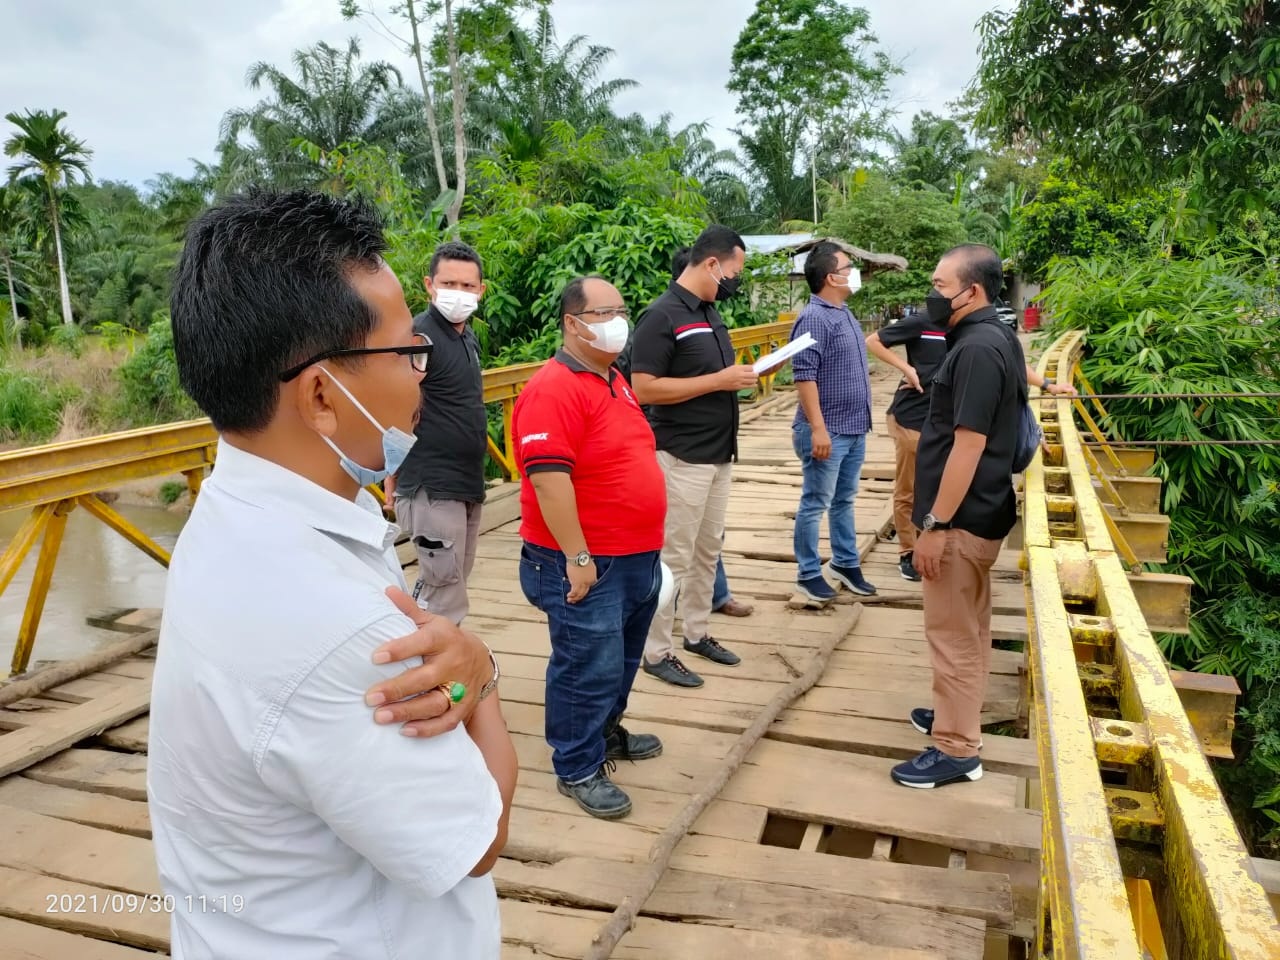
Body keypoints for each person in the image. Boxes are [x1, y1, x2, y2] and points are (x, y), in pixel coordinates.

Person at [150, 189, 516, 958]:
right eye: (405, 351)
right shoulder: (340, 631)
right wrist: (477, 675)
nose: (421, 373)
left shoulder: (230, 516)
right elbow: (475, 841)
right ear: (321, 393)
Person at [513, 275, 667, 820]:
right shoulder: (552, 389)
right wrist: (578, 558)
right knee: (585, 665)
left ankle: (603, 733)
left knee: (620, 659)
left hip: (634, 556)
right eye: (605, 313)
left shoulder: (613, 378)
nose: (618, 322)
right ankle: (576, 765)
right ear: (572, 324)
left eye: (621, 310)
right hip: (585, 562)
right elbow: (549, 481)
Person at [890, 243, 1026, 789]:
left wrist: (934, 526)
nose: (933, 296)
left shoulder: (975, 350)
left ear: (972, 291)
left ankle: (956, 749)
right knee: (968, 627)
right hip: (985, 510)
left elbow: (967, 446)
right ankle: (955, 715)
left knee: (952, 634)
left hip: (962, 520)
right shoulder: (992, 337)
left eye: (941, 287)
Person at [630, 226, 759, 688]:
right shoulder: (661, 316)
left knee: (708, 551)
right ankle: (655, 649)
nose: (734, 280)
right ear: (711, 265)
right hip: (682, 457)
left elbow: (716, 375)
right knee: (674, 557)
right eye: (734, 272)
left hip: (719, 454)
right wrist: (719, 381)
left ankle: (697, 632)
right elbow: (643, 387)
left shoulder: (710, 313)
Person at [385, 241, 488, 625]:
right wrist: (392, 478)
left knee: (453, 584)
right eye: (449, 283)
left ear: (480, 290)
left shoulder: (467, 337)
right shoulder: (418, 337)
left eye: (466, 285)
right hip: (432, 484)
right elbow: (394, 407)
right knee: (441, 593)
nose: (457, 294)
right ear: (430, 284)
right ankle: (436, 678)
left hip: (467, 483)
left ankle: (442, 670)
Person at [790, 241, 877, 602]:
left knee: (844, 499)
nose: (852, 273)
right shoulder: (813, 317)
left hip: (854, 427)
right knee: (815, 501)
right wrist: (818, 428)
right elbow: (803, 375)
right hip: (827, 430)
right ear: (830, 277)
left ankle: (844, 561)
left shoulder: (843, 312)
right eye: (847, 268)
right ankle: (808, 571)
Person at [865, 306, 949, 582]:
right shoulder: (923, 321)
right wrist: (907, 368)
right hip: (911, 416)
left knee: (940, 485)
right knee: (910, 487)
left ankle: (933, 544)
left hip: (944, 419)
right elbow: (873, 341)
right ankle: (908, 551)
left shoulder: (967, 325)